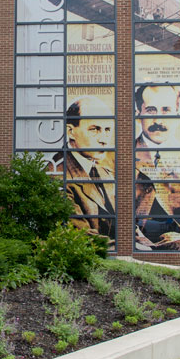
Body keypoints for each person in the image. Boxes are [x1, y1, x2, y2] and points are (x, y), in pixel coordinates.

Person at [133, 85, 180, 250]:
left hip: (179, 244)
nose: (158, 121)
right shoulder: (119, 158)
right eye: (150, 110)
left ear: (178, 115)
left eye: (166, 110)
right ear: (138, 116)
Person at [51, 96, 115, 247]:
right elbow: (80, 234)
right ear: (71, 131)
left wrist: (146, 244)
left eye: (107, 130)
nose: (104, 140)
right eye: (95, 129)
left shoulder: (105, 173)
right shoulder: (56, 175)